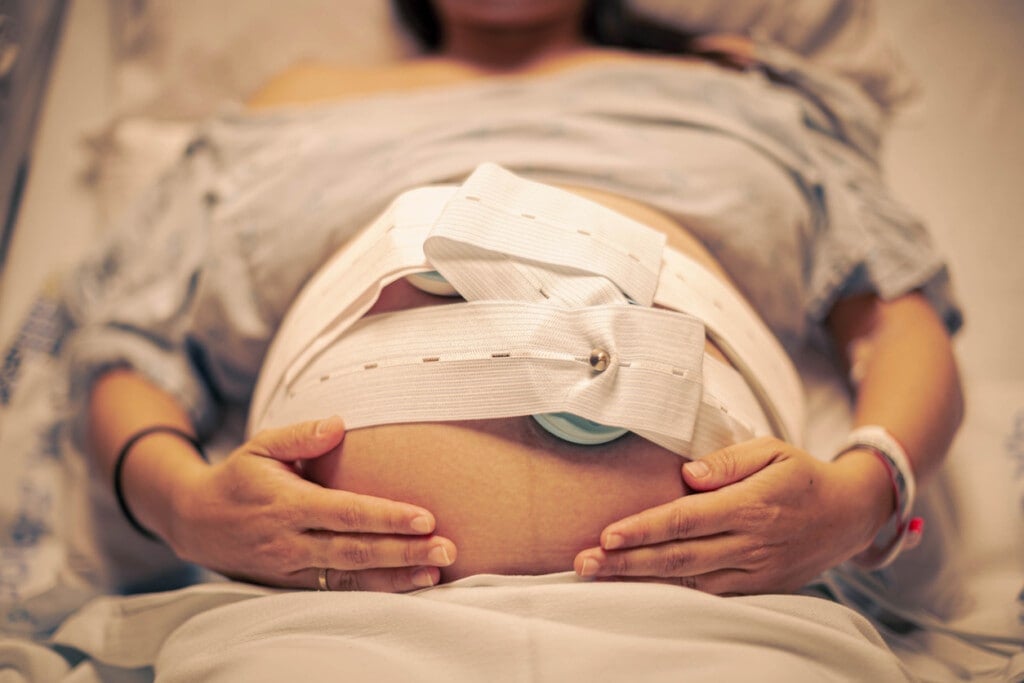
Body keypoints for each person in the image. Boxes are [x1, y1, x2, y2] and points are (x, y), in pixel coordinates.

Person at [74, 0, 963, 595]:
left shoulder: (738, 90)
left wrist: (859, 501)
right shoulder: (281, 107)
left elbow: (897, 313)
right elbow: (127, 350)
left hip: (725, 606)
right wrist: (186, 506)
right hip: (329, 615)